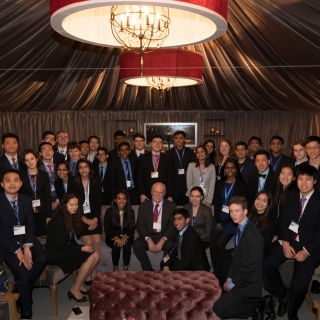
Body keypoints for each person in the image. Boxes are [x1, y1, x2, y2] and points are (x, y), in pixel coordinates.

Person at [263, 164, 320, 320]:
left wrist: (307, 251)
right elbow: (283, 221)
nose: (303, 182)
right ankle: (281, 294)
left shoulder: (319, 201)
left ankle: (292, 313)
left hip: (310, 246)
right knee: (266, 264)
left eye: (308, 179)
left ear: (314, 181)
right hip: (289, 239)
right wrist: (285, 241)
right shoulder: (291, 197)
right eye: (300, 178)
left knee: (298, 286)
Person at [213, 196, 271, 320]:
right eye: (231, 211)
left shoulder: (253, 235)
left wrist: (233, 282)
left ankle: (258, 304)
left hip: (248, 282)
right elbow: (236, 258)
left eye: (237, 210)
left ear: (245, 211)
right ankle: (252, 305)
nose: (233, 214)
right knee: (223, 300)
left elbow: (251, 267)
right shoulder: (240, 227)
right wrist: (229, 277)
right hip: (240, 277)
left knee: (218, 309)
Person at [0, 169, 47, 319]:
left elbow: (31, 224)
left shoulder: (26, 200)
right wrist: (17, 251)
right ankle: (26, 312)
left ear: (20, 184)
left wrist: (27, 246)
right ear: (2, 184)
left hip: (26, 239)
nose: (12, 183)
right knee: (25, 277)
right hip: (7, 245)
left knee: (42, 259)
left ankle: (22, 289)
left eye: (15, 180)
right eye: (8, 180)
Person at [215, 190, 277, 289]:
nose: (260, 203)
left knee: (226, 261)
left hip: (255, 253)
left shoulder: (270, 222)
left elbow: (262, 246)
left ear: (269, 203)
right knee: (220, 256)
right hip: (243, 247)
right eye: (258, 199)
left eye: (264, 201)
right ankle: (221, 286)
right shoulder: (250, 214)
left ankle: (231, 287)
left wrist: (238, 253)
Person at [45, 193, 99, 302]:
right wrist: (81, 249)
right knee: (90, 257)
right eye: (71, 205)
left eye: (76, 205)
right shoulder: (59, 219)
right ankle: (74, 289)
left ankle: (79, 285)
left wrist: (83, 247)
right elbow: (61, 245)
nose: (74, 207)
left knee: (96, 255)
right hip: (56, 254)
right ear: (65, 205)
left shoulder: (71, 216)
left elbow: (71, 240)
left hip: (64, 250)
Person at [210, 158, 247, 269]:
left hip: (233, 219)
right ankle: (216, 269)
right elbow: (216, 202)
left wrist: (224, 222)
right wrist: (218, 220)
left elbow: (241, 206)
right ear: (224, 170)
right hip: (219, 217)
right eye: (227, 168)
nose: (230, 170)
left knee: (219, 244)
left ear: (236, 169)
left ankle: (222, 268)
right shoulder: (220, 183)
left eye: (232, 167)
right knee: (212, 244)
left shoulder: (241, 185)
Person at [133, 182, 176, 271]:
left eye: (160, 192)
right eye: (155, 192)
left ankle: (164, 267)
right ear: (151, 192)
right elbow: (140, 225)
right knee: (137, 245)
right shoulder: (144, 206)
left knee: (171, 244)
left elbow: (172, 226)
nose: (157, 195)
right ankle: (148, 270)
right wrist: (148, 239)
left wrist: (163, 239)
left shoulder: (171, 206)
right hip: (149, 235)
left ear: (164, 194)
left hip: (163, 235)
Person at [74, 159, 102, 285]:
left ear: (90, 169)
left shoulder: (96, 181)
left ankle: (93, 272)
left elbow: (98, 202)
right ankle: (87, 274)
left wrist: (95, 219)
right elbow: (73, 205)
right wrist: (85, 219)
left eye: (86, 167)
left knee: (96, 240)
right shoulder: (74, 183)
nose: (83, 169)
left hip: (94, 216)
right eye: (81, 167)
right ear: (78, 170)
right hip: (80, 217)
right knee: (88, 242)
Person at [19, 149, 52, 237]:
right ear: (24, 162)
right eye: (27, 160)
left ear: (37, 159)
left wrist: (49, 215)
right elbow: (19, 195)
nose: (30, 162)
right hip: (27, 210)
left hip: (42, 210)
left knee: (42, 235)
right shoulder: (20, 176)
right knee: (29, 236)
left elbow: (47, 195)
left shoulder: (44, 175)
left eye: (32, 158)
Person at [104, 190, 136, 271]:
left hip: (127, 236)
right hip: (112, 236)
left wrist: (126, 236)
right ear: (115, 200)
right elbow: (107, 229)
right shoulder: (109, 211)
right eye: (119, 198)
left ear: (127, 200)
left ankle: (126, 268)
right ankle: (115, 268)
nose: (121, 201)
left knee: (127, 245)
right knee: (116, 245)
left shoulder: (131, 211)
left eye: (124, 198)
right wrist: (115, 237)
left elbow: (132, 229)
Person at [137, 135, 175, 202]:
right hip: (146, 195)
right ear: (151, 143)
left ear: (162, 144)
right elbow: (139, 178)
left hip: (163, 195)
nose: (157, 144)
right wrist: (141, 194)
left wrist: (170, 195)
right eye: (155, 142)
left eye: (160, 142)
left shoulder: (168, 159)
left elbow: (171, 179)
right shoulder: (142, 158)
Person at [166, 130, 194, 205]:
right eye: (176, 138)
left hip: (187, 188)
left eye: (181, 138)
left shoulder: (190, 153)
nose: (178, 140)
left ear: (184, 139)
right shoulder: (168, 154)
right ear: (173, 140)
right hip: (174, 189)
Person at [38, 142, 59, 213]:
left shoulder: (59, 167)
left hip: (59, 202)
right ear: (40, 153)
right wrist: (47, 202)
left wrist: (58, 200)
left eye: (50, 149)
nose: (47, 152)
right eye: (44, 150)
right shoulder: (37, 169)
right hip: (43, 204)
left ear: (53, 152)